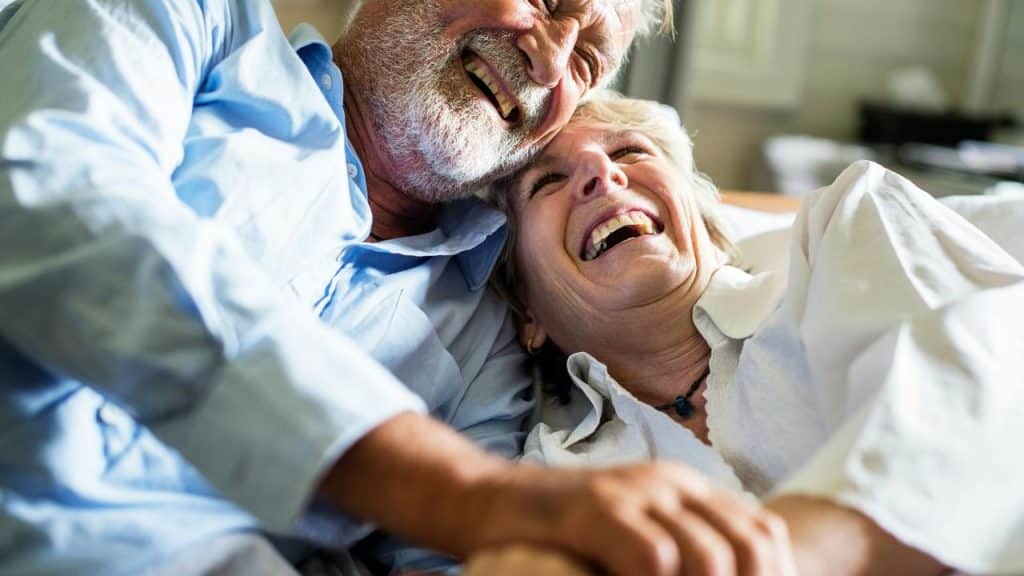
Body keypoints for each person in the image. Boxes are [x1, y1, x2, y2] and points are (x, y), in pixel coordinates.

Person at [0, 1, 798, 575]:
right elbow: (48, 201)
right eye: (548, 2)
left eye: (585, 61)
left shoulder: (487, 334)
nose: (551, 62)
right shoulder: (190, 23)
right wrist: (463, 493)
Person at [489, 90, 1024, 575]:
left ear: (708, 225)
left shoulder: (844, 233)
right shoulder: (556, 479)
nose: (600, 174)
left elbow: (993, 366)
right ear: (527, 312)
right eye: (547, 181)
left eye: (630, 151)